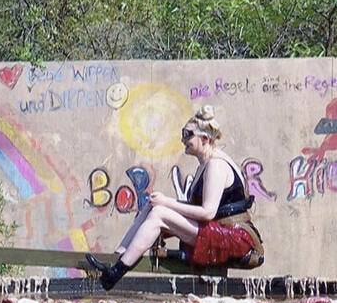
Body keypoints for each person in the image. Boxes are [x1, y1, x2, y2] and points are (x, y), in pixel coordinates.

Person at [86, 105, 262, 290]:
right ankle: (118, 256)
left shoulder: (215, 166)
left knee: (160, 213)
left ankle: (113, 276)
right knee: (153, 206)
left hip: (233, 238)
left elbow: (207, 212)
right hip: (218, 231)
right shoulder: (206, 163)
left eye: (188, 134)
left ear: (204, 138)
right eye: (183, 133)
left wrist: (167, 202)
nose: (183, 139)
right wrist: (161, 201)